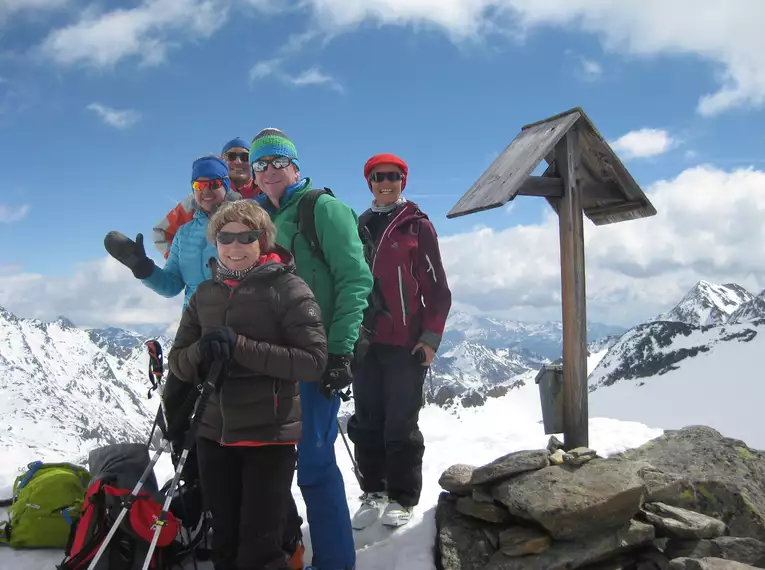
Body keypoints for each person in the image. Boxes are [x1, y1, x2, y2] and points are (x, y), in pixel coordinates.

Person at [168, 199, 328, 570]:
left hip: (267, 437)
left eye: (246, 238)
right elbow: (179, 362)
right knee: (223, 541)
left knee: (260, 548)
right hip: (213, 435)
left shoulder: (289, 288)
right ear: (216, 242)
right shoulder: (205, 294)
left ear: (264, 241)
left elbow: (312, 362)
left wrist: (241, 347)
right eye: (226, 238)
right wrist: (201, 351)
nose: (235, 247)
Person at [250, 128, 373, 570]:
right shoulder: (258, 217)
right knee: (273, 463)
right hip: (270, 360)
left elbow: (355, 279)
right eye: (260, 165)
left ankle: (337, 563)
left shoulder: (323, 208)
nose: (269, 172)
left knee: (316, 465)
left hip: (316, 356)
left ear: (295, 166)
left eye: (277, 162)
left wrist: (339, 351)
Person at [346, 153, 452, 530]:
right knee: (366, 421)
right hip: (365, 342)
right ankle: (373, 491)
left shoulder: (416, 227)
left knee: (400, 423)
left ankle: (402, 496)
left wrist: (430, 338)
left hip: (406, 343)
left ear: (403, 181)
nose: (385, 183)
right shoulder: (359, 225)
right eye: (378, 177)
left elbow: (438, 290)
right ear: (369, 183)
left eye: (392, 176)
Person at [152, 138, 259, 259]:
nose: (238, 161)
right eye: (231, 156)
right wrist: (181, 261)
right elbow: (161, 233)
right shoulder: (198, 201)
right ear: (223, 161)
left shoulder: (266, 193)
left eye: (245, 157)